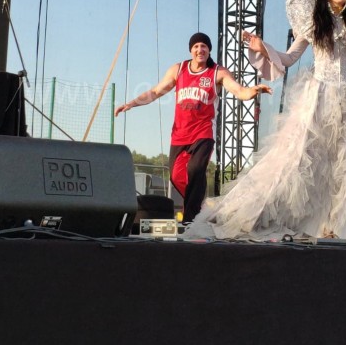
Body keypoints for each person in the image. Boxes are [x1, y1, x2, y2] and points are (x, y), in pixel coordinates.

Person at [184, 0, 346, 240]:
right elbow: (288, 58)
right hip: (319, 97)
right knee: (295, 158)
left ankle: (335, 228)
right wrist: (262, 48)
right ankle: (249, 214)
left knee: (344, 165)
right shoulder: (314, 23)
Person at [114, 32, 273, 223]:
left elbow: (239, 91)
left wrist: (252, 91)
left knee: (196, 170)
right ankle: (202, 208)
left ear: (209, 50)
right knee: (176, 176)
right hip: (179, 134)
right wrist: (131, 104)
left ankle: (190, 220)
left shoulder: (217, 72)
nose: (200, 50)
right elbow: (155, 91)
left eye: (204, 46)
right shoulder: (178, 69)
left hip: (203, 133)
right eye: (196, 46)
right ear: (191, 50)